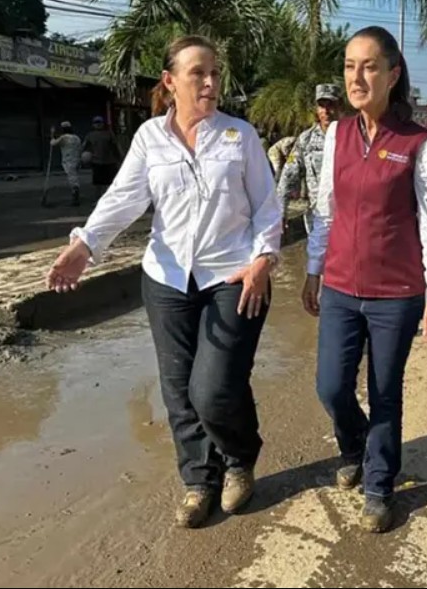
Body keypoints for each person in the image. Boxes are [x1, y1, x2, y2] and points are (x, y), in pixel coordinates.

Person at [45, 35, 283, 529]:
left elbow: (267, 206)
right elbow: (123, 199)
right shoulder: (150, 138)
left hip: (233, 275)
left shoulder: (240, 136)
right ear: (171, 82)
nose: (212, 82)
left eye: (215, 72)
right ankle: (200, 481)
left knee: (214, 388)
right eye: (199, 73)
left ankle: (239, 459)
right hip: (168, 277)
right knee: (178, 389)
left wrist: (264, 259)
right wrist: (83, 245)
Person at [303, 26, 427, 533]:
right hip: (342, 287)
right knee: (330, 387)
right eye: (349, 65)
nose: (357, 76)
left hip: (397, 294)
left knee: (385, 391)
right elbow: (325, 210)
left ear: (393, 74)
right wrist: (313, 270)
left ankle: (379, 486)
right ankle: (356, 445)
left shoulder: (420, 144)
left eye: (369, 66)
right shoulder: (336, 133)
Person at [276, 84, 343, 233]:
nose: (326, 111)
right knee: (318, 256)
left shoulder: (352, 137)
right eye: (321, 105)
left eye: (331, 105)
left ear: (340, 106)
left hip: (347, 216)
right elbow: (289, 175)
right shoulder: (306, 139)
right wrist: (281, 212)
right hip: (317, 216)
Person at [82, 115, 124, 200]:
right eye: (96, 123)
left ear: (103, 124)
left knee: (111, 182)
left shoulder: (109, 134)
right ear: (93, 125)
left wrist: (121, 156)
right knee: (98, 183)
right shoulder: (90, 135)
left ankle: (111, 199)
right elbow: (84, 146)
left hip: (110, 161)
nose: (98, 125)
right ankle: (98, 199)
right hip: (97, 162)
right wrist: (84, 156)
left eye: (99, 123)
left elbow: (116, 145)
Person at [51, 120, 82, 206]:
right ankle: (75, 193)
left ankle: (75, 194)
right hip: (76, 159)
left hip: (68, 160)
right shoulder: (76, 138)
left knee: (72, 178)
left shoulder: (64, 138)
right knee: (74, 176)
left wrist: (52, 135)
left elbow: (53, 143)